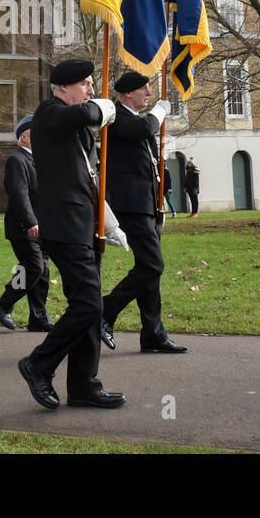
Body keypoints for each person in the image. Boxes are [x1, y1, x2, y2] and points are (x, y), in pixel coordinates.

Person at [17, 58, 129, 411]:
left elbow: (90, 178)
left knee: (88, 306)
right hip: (65, 226)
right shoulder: (48, 113)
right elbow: (84, 114)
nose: (92, 91)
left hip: (85, 224)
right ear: (63, 88)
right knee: (89, 305)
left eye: (93, 85)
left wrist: (109, 225)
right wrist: (103, 106)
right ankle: (38, 363)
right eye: (86, 85)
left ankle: (83, 385)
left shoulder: (77, 127)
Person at [100, 71, 186, 354]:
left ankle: (153, 334)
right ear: (126, 94)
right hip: (131, 206)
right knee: (152, 266)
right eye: (143, 89)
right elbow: (143, 131)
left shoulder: (135, 120)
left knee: (151, 273)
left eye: (149, 89)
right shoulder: (117, 119)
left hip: (146, 204)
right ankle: (105, 310)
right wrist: (159, 113)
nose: (149, 94)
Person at [0, 115, 53, 333]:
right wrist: (30, 222)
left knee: (42, 272)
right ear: (25, 137)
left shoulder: (40, 160)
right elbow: (19, 194)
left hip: (42, 226)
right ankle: (4, 302)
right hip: (24, 226)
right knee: (33, 267)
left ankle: (38, 318)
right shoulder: (17, 160)